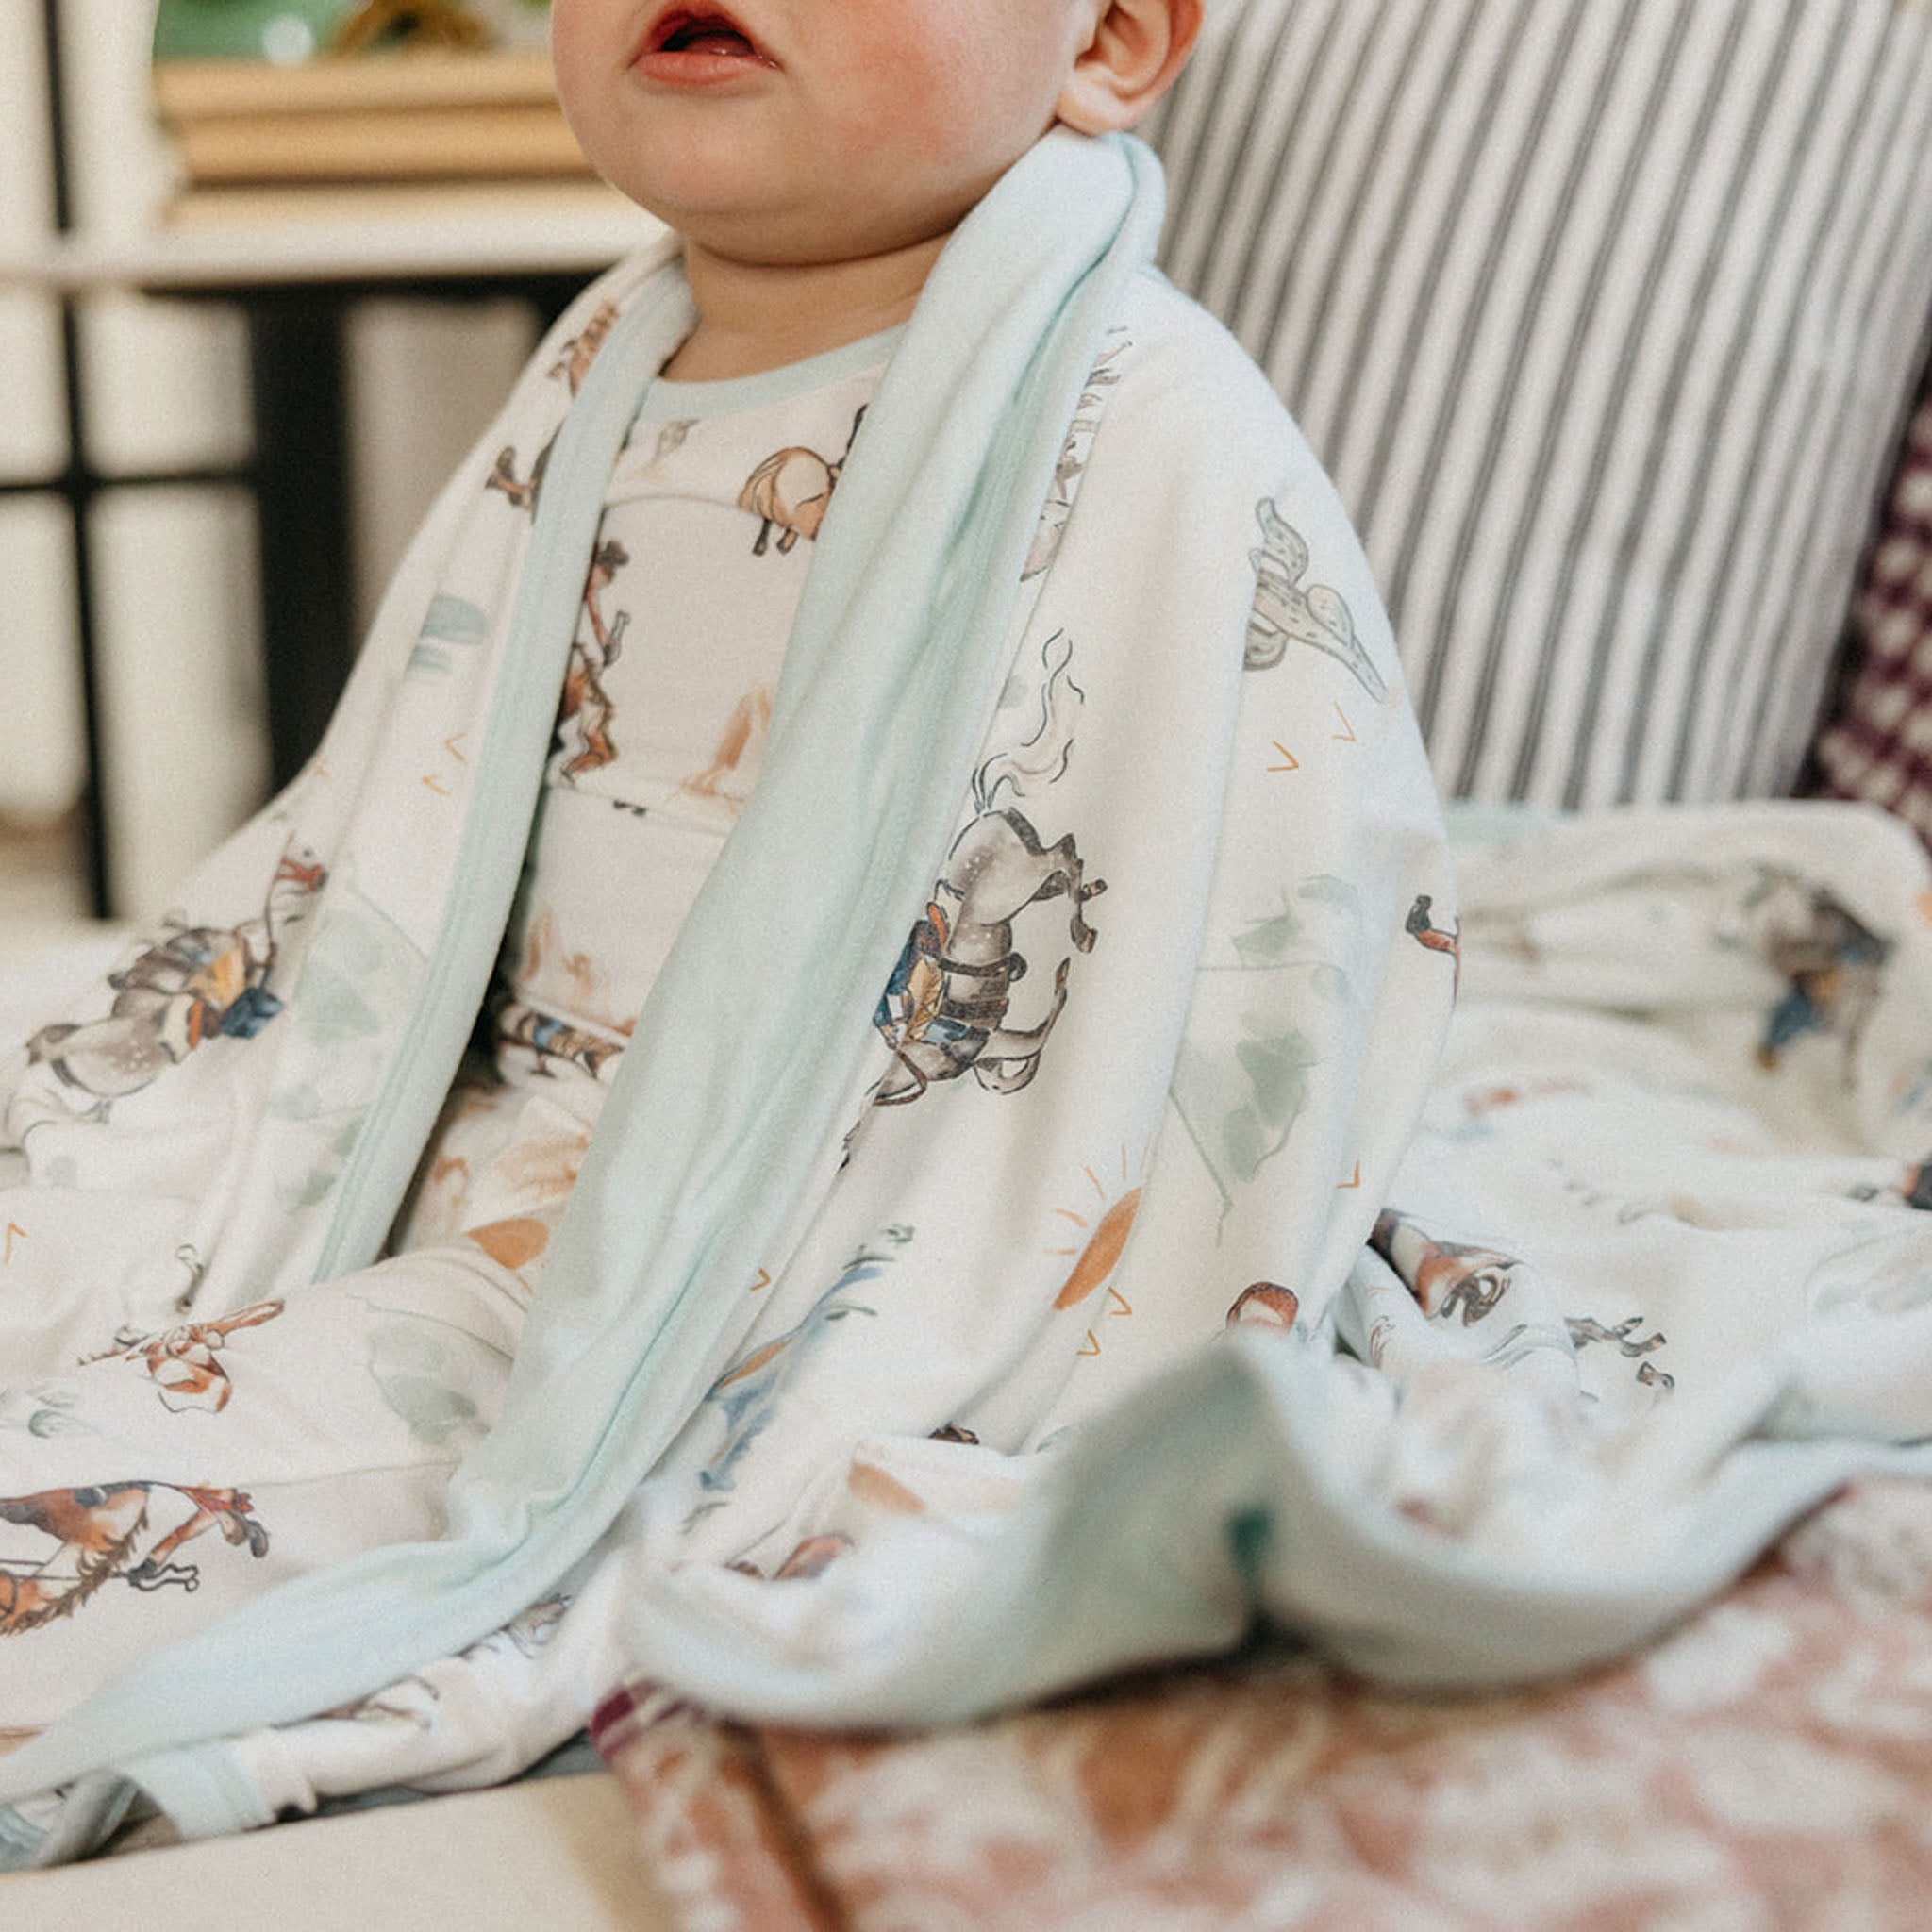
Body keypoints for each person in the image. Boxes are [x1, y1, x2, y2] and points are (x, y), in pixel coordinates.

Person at [0, 0, 1455, 1857]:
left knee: (136, 1508)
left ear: (1105, 39)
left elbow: (1251, 936)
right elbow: (397, 832)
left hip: (763, 1229)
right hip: (461, 1132)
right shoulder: (605, 351)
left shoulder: (1154, 425)